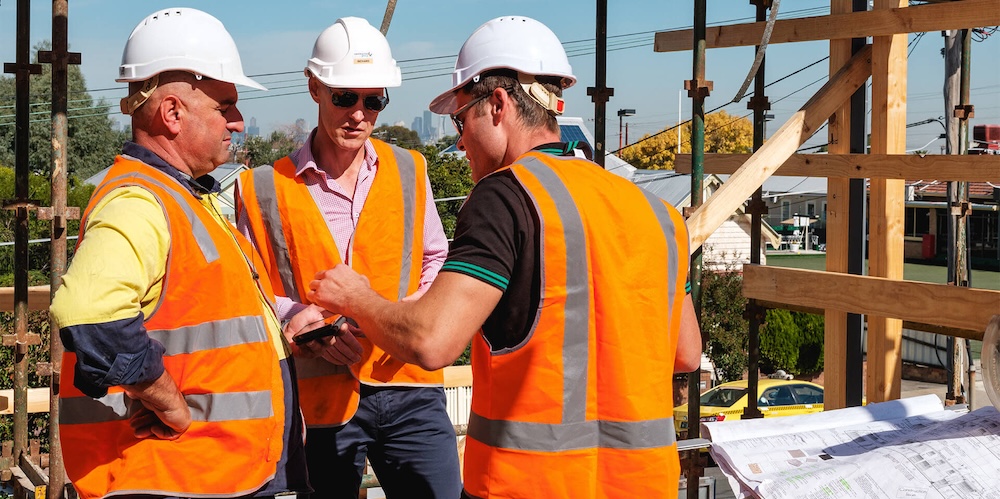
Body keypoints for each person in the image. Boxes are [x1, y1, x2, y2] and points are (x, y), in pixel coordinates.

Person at [307, 15, 703, 499]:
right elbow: (686, 353)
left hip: (528, 485)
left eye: (460, 119)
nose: (458, 141)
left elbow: (431, 342)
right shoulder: (657, 213)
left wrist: (358, 299)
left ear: (496, 105)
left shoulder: (506, 197)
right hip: (645, 485)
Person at [51, 8, 309, 499]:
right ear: (172, 113)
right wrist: (165, 398)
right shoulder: (140, 201)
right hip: (178, 474)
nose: (236, 122)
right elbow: (89, 311)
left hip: (218, 474)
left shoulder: (187, 197)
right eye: (225, 106)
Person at [235, 17, 460, 499]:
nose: (359, 114)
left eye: (373, 100)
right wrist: (299, 318)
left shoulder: (409, 169)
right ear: (314, 87)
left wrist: (404, 318)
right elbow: (246, 285)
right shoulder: (261, 188)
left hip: (409, 385)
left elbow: (436, 259)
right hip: (317, 399)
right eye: (344, 97)